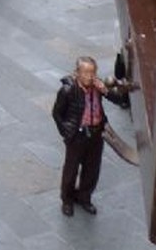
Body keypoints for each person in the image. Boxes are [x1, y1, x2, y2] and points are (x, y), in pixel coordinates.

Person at [51, 56, 128, 217]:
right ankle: (67, 199)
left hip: (96, 132)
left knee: (92, 169)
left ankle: (84, 197)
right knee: (71, 170)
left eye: (92, 72)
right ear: (77, 73)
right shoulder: (68, 90)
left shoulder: (98, 86)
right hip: (77, 134)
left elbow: (119, 100)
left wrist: (105, 90)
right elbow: (57, 113)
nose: (89, 76)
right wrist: (66, 131)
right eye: (85, 72)